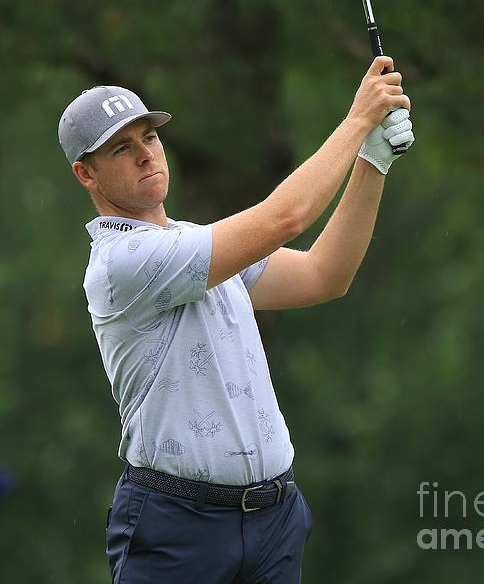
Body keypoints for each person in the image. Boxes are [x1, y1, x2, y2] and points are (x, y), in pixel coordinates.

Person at [58, 56, 413, 584]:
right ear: (85, 173)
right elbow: (284, 219)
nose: (144, 155)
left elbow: (324, 275)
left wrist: (372, 161)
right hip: (179, 527)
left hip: (273, 522)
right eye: (120, 148)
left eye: (148, 139)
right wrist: (358, 120)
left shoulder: (194, 248)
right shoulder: (122, 263)